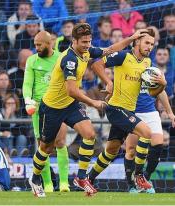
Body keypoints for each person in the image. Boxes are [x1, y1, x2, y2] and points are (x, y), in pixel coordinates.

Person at [28, 23, 147, 197]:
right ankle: (35, 178)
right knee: (46, 147)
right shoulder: (69, 59)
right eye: (84, 42)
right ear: (74, 40)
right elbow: (72, 90)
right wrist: (93, 103)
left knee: (90, 134)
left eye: (89, 41)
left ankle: (82, 177)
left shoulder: (87, 51)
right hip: (52, 107)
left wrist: (131, 38)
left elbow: (109, 49)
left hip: (70, 105)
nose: (87, 45)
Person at [88, 29, 166, 194]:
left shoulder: (146, 64)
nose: (150, 47)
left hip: (129, 110)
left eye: (152, 44)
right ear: (137, 41)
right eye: (146, 43)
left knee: (111, 151)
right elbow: (96, 64)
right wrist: (108, 82)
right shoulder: (123, 56)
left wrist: (162, 85)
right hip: (116, 108)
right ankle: (139, 177)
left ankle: (88, 179)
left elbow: (152, 93)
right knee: (146, 132)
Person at [23, 31, 69, 193]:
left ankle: (64, 184)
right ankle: (47, 184)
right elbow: (27, 83)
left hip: (58, 105)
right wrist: (28, 99)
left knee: (60, 142)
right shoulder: (31, 61)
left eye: (39, 45)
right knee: (43, 146)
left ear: (49, 44)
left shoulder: (61, 58)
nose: (36, 48)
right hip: (38, 108)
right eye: (35, 44)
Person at [124, 85, 175, 193]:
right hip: (131, 112)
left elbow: (161, 91)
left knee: (158, 145)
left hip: (150, 112)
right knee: (131, 150)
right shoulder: (125, 68)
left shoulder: (152, 69)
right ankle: (131, 185)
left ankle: (145, 179)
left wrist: (170, 113)